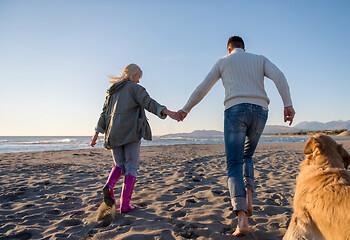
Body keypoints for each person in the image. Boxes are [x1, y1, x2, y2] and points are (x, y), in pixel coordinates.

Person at [178, 36, 295, 236]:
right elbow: (280, 76)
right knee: (247, 156)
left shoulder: (223, 61)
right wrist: (288, 104)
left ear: (228, 48)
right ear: (244, 48)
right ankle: (248, 196)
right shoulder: (260, 59)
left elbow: (202, 88)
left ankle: (241, 220)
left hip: (235, 111)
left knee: (233, 163)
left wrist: (185, 109)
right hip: (260, 111)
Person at [91, 63, 180, 213]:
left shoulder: (111, 92)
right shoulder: (135, 88)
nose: (139, 81)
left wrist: (96, 133)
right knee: (131, 166)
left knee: (120, 165)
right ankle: (124, 205)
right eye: (138, 77)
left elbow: (104, 113)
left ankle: (108, 186)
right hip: (130, 131)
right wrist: (169, 112)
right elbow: (149, 103)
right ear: (133, 75)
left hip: (113, 132)